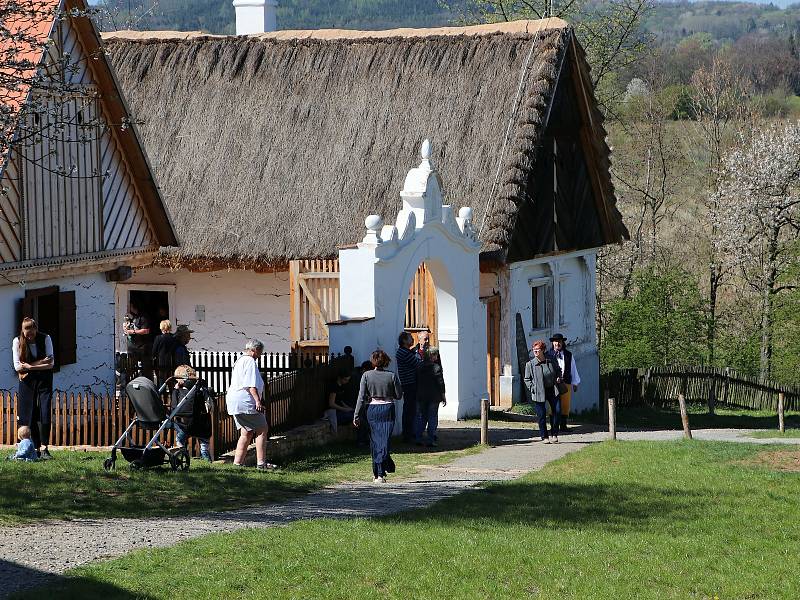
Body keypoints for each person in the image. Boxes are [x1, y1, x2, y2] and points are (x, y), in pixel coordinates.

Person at [225, 339, 276, 470]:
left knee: (246, 432)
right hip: (246, 402)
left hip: (234, 402)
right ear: (254, 350)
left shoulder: (239, 360)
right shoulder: (250, 361)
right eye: (260, 352)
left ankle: (237, 463)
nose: (260, 355)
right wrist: (258, 401)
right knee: (262, 429)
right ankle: (261, 463)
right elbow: (250, 385)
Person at [354, 349, 402, 483]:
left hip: (372, 409)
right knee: (385, 439)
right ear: (386, 361)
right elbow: (398, 395)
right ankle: (383, 463)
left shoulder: (366, 375)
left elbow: (361, 397)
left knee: (375, 441)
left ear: (373, 361)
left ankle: (378, 474)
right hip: (387, 408)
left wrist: (356, 415)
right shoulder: (392, 376)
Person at [12, 318, 55, 459]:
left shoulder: (46, 338)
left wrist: (31, 366)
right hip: (27, 380)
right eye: (27, 333)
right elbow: (18, 366)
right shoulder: (17, 341)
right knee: (27, 411)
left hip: (44, 379)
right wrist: (41, 362)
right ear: (23, 331)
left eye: (32, 333)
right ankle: (30, 446)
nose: (30, 336)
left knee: (44, 409)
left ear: (36, 329)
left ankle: (44, 448)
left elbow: (51, 363)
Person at [524, 340, 562, 444]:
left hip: (552, 390)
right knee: (541, 415)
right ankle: (544, 436)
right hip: (539, 392)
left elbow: (558, 370)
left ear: (543, 350)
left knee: (557, 411)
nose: (535, 352)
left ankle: (554, 434)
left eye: (538, 350)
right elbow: (527, 379)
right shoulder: (530, 364)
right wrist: (533, 388)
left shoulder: (551, 359)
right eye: (534, 350)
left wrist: (558, 377)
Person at [171, 365, 212, 461]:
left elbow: (174, 407)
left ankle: (183, 454)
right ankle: (207, 462)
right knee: (204, 447)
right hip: (202, 424)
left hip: (185, 425)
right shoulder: (200, 388)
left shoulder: (178, 392)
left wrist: (176, 390)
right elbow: (209, 406)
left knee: (179, 440)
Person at [548, 333, 580, 432]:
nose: (557, 343)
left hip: (565, 382)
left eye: (559, 341)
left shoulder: (568, 355)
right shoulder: (548, 354)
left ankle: (563, 426)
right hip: (552, 384)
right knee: (552, 404)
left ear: (562, 343)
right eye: (555, 341)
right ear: (553, 343)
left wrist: (575, 382)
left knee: (565, 404)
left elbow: (573, 368)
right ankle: (553, 426)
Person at [415, 346, 446, 447]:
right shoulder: (436, 367)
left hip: (421, 395)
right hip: (434, 396)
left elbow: (416, 380)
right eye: (436, 355)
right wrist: (443, 396)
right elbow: (440, 383)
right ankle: (430, 439)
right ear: (432, 355)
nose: (437, 357)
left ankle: (418, 438)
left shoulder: (419, 366)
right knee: (432, 417)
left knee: (422, 417)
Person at [396, 331, 422, 442]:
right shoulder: (404, 353)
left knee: (410, 409)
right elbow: (418, 364)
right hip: (409, 384)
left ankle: (409, 433)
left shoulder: (405, 351)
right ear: (404, 341)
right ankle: (408, 434)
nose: (412, 339)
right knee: (409, 409)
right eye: (410, 337)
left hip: (409, 383)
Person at [124, 303, 152, 379]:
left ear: (133, 307)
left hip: (143, 347)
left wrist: (132, 331)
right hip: (133, 347)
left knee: (146, 369)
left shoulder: (143, 317)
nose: (127, 307)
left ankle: (147, 386)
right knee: (131, 368)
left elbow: (146, 331)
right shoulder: (132, 317)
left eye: (129, 306)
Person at [324, 369, 354, 434]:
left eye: (348, 380)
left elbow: (340, 400)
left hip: (339, 409)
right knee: (351, 416)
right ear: (340, 378)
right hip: (333, 411)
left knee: (354, 413)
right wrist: (344, 409)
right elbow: (331, 404)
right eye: (345, 379)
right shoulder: (334, 386)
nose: (347, 382)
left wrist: (348, 408)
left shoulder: (341, 386)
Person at [151, 320, 178, 385]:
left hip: (161, 361)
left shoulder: (158, 338)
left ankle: (162, 394)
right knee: (171, 379)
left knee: (161, 380)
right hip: (171, 361)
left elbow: (154, 351)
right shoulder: (174, 338)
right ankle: (171, 393)